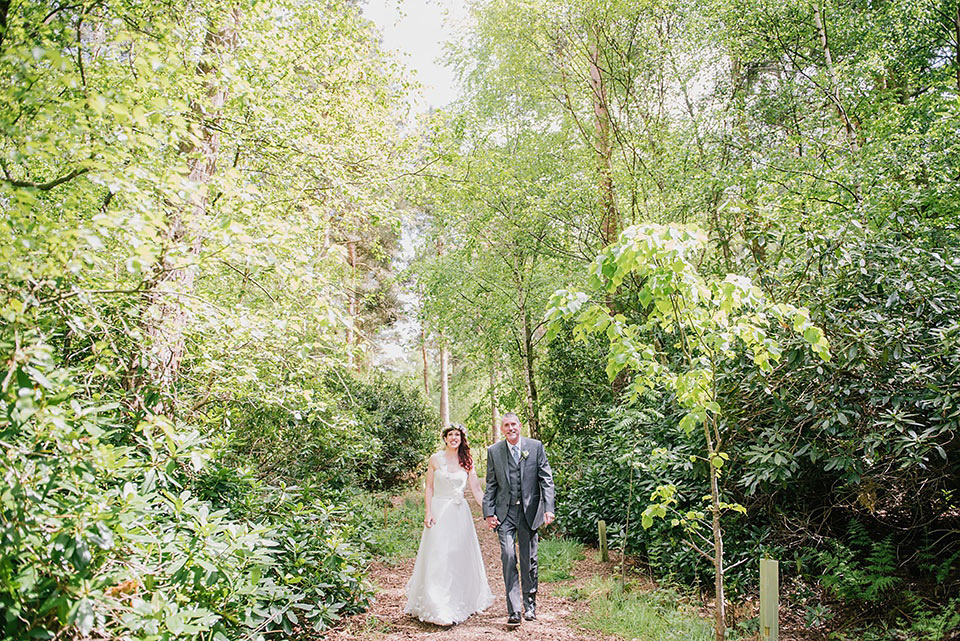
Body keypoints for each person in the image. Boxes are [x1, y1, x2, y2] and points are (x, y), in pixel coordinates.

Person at [404, 424, 494, 626]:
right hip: (439, 512)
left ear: (462, 439)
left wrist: (489, 510)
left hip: (459, 513)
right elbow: (429, 487)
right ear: (445, 438)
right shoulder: (435, 459)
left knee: (456, 555)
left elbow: (477, 490)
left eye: (458, 435)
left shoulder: (467, 461)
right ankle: (437, 605)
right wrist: (427, 511)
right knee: (438, 556)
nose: (454, 438)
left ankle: (457, 600)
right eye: (450, 435)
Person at [482, 412, 555, 626]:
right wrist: (488, 512)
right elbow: (491, 484)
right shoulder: (494, 452)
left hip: (529, 513)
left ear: (520, 425)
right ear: (502, 429)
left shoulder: (535, 447)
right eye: (506, 425)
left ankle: (529, 606)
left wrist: (548, 508)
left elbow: (546, 480)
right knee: (508, 556)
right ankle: (513, 610)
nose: (510, 428)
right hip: (505, 514)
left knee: (528, 560)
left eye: (513, 424)